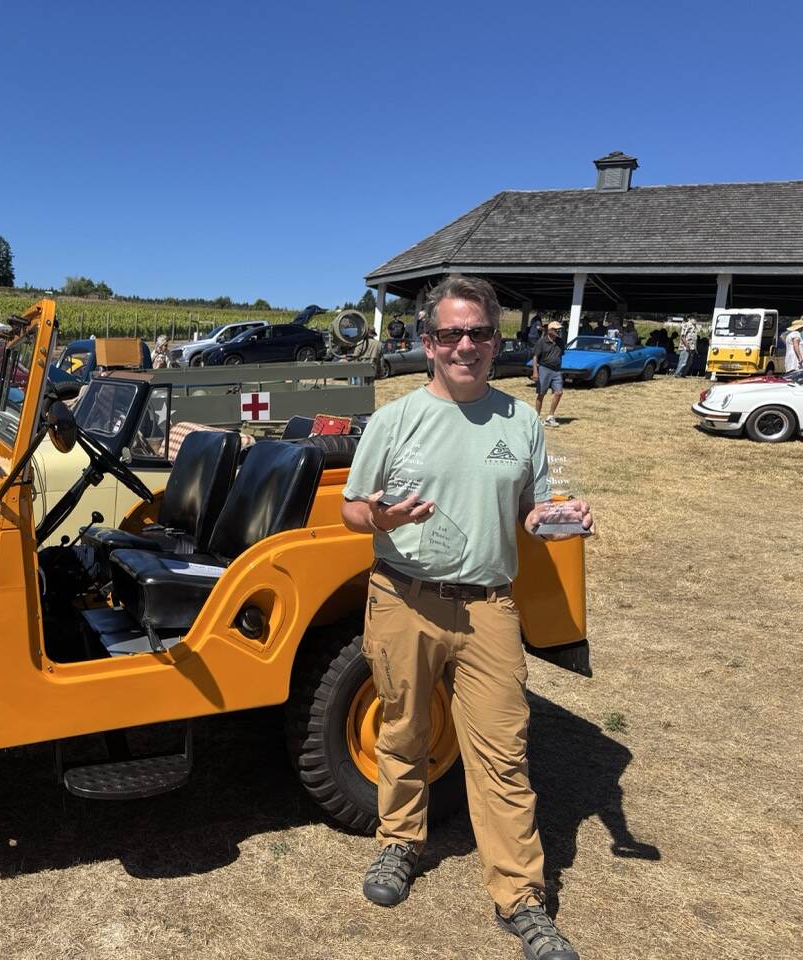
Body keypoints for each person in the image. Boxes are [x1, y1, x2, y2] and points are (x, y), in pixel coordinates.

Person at [341, 274, 591, 960]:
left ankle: (520, 899)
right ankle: (399, 845)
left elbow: (530, 512)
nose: (465, 346)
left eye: (478, 333)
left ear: (496, 340)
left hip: (488, 608)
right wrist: (380, 516)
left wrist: (558, 518)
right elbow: (353, 509)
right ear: (426, 343)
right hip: (402, 597)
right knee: (402, 730)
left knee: (504, 755)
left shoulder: (521, 421)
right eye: (449, 333)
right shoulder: (394, 420)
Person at [531, 321, 566, 427]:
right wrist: (535, 372)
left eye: (559, 329)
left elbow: (561, 355)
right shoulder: (542, 342)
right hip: (544, 368)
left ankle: (550, 417)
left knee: (559, 392)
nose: (558, 331)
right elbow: (535, 357)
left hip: (557, 370)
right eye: (556, 330)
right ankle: (537, 417)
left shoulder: (560, 342)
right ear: (550, 330)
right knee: (541, 393)